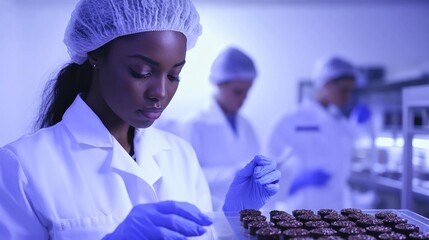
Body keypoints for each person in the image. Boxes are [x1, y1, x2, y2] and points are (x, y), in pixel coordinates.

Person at [0, 0, 280, 239]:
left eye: (174, 76)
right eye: (142, 71)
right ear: (95, 55)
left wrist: (233, 219)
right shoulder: (22, 166)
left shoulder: (179, 154)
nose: (160, 93)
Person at [162, 46, 262, 211]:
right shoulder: (193, 125)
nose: (243, 99)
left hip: (247, 213)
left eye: (247, 92)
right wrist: (235, 173)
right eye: (237, 92)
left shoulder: (247, 125)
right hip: (209, 213)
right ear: (219, 84)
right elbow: (187, 177)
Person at [267, 55, 368, 211]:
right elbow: (268, 165)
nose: (348, 96)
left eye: (351, 91)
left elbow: (348, 146)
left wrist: (358, 122)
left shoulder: (339, 120)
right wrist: (294, 182)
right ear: (327, 84)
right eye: (344, 90)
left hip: (336, 208)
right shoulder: (290, 120)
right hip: (301, 209)